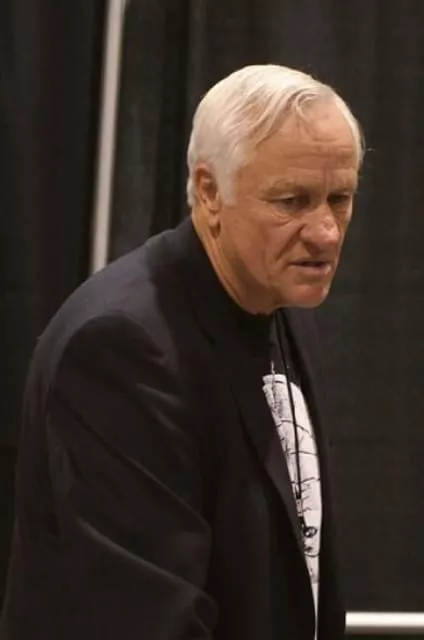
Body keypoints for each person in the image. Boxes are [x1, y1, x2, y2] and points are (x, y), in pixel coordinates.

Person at [1, 64, 363, 639]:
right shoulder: (121, 347)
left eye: (339, 198)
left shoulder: (280, 303)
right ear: (210, 191)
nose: (326, 232)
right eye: (291, 201)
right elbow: (144, 618)